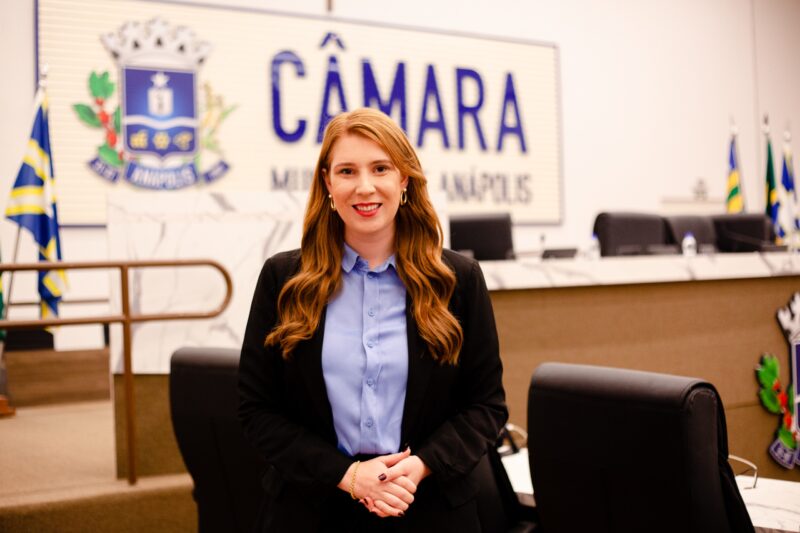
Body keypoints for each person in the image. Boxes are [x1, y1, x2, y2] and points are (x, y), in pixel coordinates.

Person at [238, 107, 507, 532]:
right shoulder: (283, 279)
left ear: (404, 180)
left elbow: (486, 406)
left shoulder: (458, 280)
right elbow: (257, 410)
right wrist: (348, 475)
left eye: (381, 168)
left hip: (427, 506)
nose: (365, 187)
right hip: (311, 508)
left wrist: (421, 466)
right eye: (347, 171)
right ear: (328, 183)